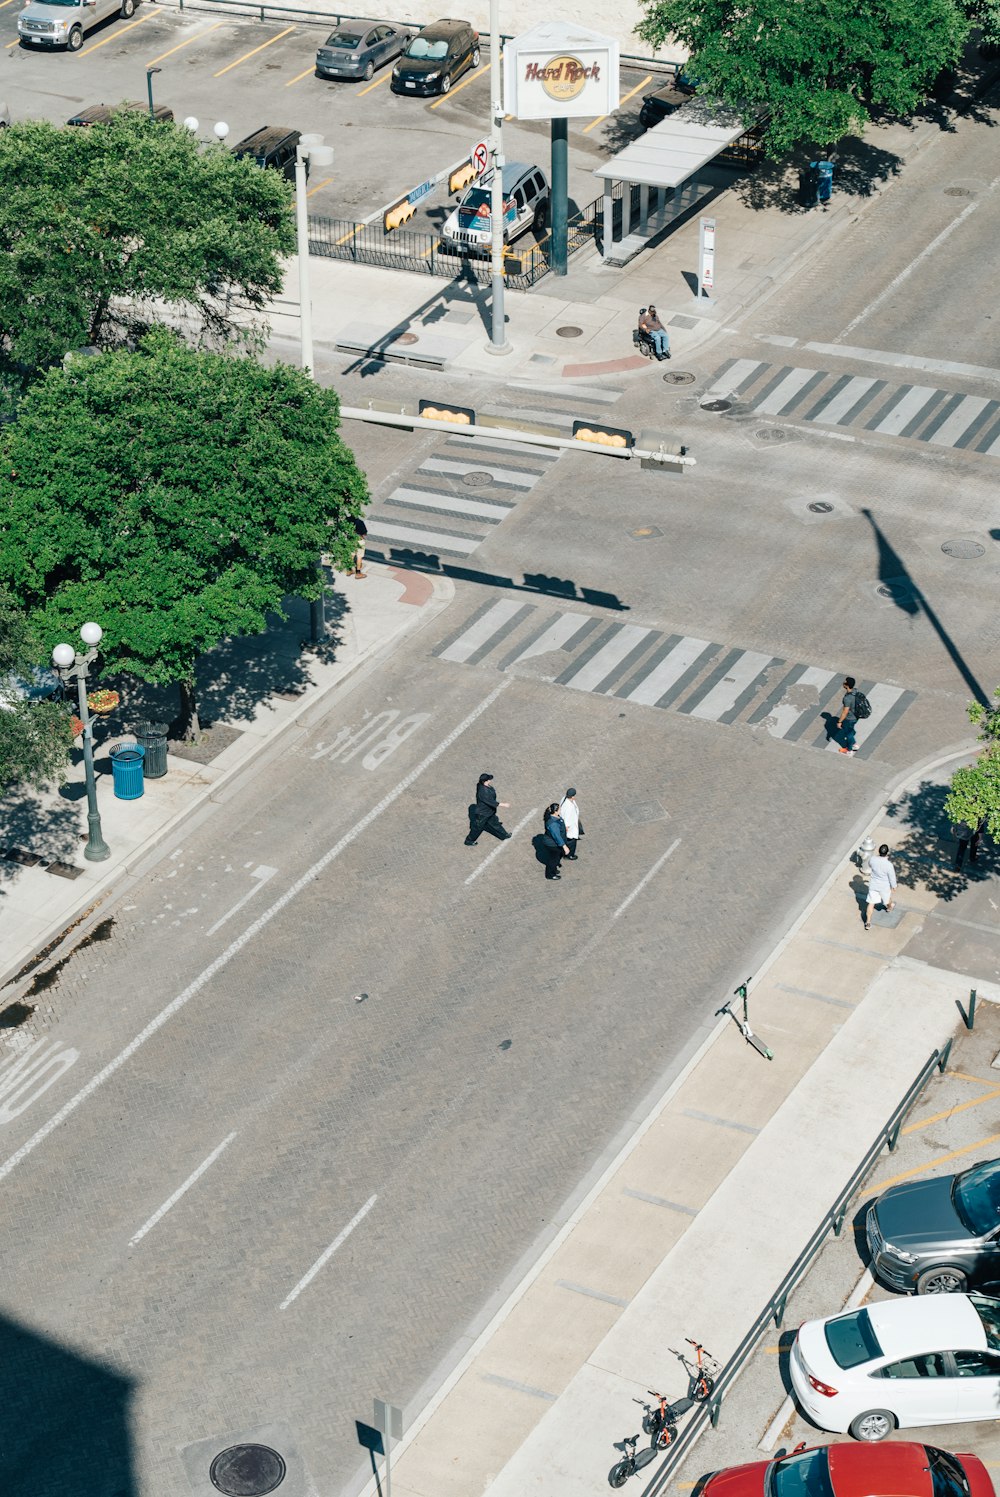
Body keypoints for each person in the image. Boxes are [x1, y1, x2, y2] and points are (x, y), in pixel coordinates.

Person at [464, 772, 511, 845]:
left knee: (495, 823)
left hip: (489, 811)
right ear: (484, 781)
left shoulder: (482, 785)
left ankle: (504, 835)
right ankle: (469, 841)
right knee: (477, 828)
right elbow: (491, 802)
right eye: (488, 779)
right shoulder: (483, 792)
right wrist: (503, 804)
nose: (490, 780)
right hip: (483, 814)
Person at [865, 844, 897, 930]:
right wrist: (894, 886)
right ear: (887, 853)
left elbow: (870, 865)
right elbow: (892, 876)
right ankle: (889, 907)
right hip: (884, 886)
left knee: (871, 903)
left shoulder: (873, 859)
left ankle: (868, 922)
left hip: (873, 884)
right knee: (887, 899)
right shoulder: (888, 865)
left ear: (879, 851)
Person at [542, 803, 569, 880]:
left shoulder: (554, 817)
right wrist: (564, 846)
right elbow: (557, 836)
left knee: (557, 857)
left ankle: (553, 869)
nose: (561, 810)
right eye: (559, 809)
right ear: (555, 811)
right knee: (554, 859)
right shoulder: (553, 823)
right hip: (552, 844)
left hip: (555, 843)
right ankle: (550, 874)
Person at [559, 788, 584, 861]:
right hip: (570, 827)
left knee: (568, 840)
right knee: (571, 842)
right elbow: (567, 817)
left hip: (569, 825)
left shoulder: (564, 799)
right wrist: (567, 827)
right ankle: (570, 855)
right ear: (572, 796)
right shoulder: (569, 807)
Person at [836, 675, 859, 754]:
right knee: (850, 730)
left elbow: (845, 711)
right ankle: (854, 744)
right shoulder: (855, 691)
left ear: (846, 685)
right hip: (856, 716)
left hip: (850, 718)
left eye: (844, 682)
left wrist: (839, 722)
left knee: (848, 734)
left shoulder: (847, 698)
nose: (843, 683)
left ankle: (849, 750)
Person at [351, 515, 368, 579]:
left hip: (351, 540)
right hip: (359, 540)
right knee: (359, 557)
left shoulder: (348, 520)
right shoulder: (360, 522)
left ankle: (349, 570)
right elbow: (364, 533)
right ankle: (358, 573)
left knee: (351, 555)